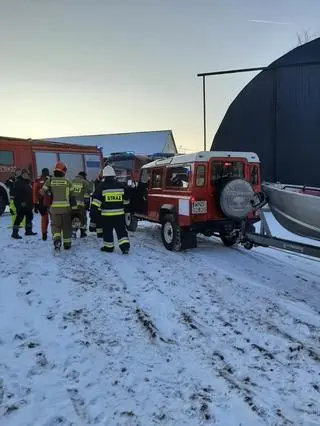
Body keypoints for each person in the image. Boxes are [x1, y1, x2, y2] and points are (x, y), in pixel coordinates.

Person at [90, 165, 130, 254]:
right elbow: (126, 201)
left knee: (107, 232)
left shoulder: (101, 187)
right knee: (121, 231)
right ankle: (125, 246)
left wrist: (94, 216)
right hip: (119, 215)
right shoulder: (121, 185)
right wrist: (125, 210)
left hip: (106, 216)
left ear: (104, 175)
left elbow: (96, 203)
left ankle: (109, 247)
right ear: (114, 175)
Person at [40, 162, 77, 250]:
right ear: (63, 171)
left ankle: (57, 239)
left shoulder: (50, 180)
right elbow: (72, 197)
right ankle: (67, 244)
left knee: (55, 226)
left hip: (54, 210)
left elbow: (42, 192)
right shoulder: (68, 182)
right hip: (66, 209)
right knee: (67, 226)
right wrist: (75, 209)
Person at [11, 169, 37, 239]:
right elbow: (16, 194)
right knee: (19, 218)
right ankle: (14, 233)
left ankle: (28, 231)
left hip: (28, 204)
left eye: (27, 174)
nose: (26, 175)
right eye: (25, 174)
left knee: (29, 217)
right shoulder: (18, 182)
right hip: (21, 204)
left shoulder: (28, 182)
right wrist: (20, 203)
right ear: (22, 175)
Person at [32, 168, 52, 240]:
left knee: (44, 218)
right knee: (53, 219)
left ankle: (44, 233)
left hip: (42, 202)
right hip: (51, 202)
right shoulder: (51, 179)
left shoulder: (38, 180)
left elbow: (34, 192)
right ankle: (55, 234)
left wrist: (35, 204)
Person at [71, 171, 91, 238]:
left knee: (75, 217)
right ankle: (83, 232)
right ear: (84, 176)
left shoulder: (72, 181)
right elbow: (89, 192)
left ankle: (73, 232)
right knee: (83, 218)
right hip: (81, 204)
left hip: (72, 204)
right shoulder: (84, 182)